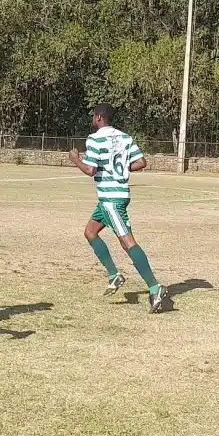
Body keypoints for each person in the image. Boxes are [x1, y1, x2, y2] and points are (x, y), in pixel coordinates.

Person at [68, 103, 170, 313]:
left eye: (93, 116)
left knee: (127, 242)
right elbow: (141, 162)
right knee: (90, 232)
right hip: (115, 196)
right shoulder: (125, 137)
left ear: (98, 118)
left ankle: (154, 287)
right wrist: (122, 167)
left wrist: (75, 159)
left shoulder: (95, 139)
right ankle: (114, 275)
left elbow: (90, 169)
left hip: (111, 199)